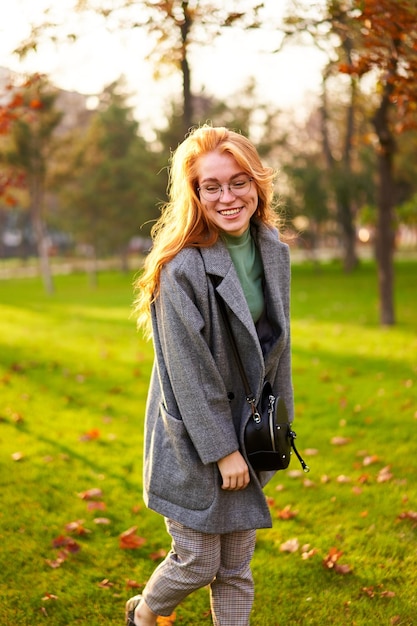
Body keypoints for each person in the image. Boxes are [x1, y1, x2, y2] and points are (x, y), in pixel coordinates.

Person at [126, 125, 293, 626]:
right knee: (198, 559)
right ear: (194, 193)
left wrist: (276, 425)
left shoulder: (273, 250)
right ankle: (142, 616)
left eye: (238, 181)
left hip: (249, 427)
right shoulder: (180, 269)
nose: (227, 197)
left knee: (237, 563)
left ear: (257, 182)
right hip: (196, 437)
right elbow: (189, 374)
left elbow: (278, 347)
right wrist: (223, 452)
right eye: (211, 186)